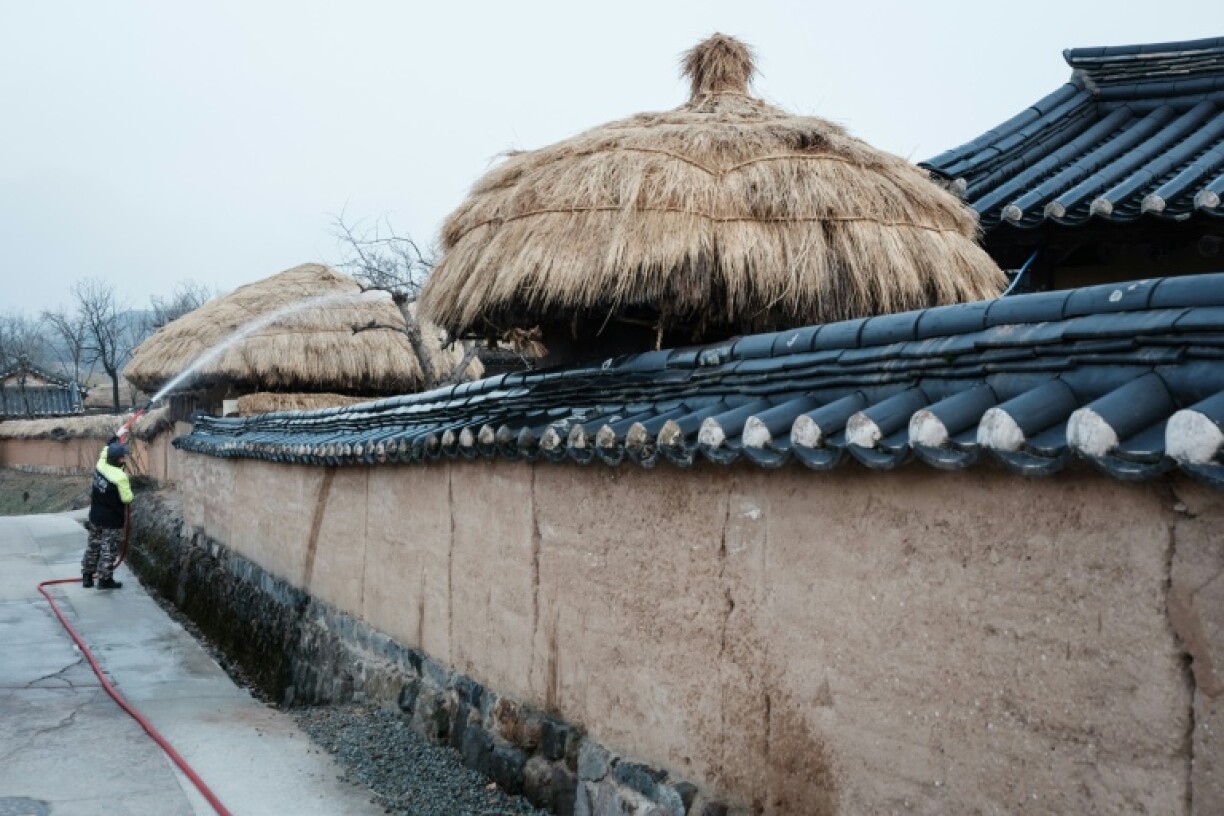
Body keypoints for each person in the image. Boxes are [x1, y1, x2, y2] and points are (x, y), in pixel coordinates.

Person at [83, 440, 132, 589]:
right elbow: (127, 498)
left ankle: (87, 577)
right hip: (112, 519)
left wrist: (117, 436)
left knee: (93, 545)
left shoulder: (100, 465)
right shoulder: (120, 477)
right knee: (108, 549)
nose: (125, 458)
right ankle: (104, 580)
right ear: (118, 460)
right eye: (123, 456)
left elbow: (105, 450)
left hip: (95, 515)